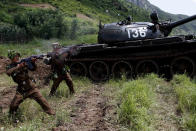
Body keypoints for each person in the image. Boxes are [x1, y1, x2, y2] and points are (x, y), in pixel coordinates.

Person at [6, 50, 55, 117]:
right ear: (11, 58)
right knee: (13, 105)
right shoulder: (10, 66)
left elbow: (33, 69)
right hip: (21, 90)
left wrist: (33, 62)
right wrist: (18, 66)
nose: (17, 57)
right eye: (15, 56)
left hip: (31, 87)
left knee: (43, 102)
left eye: (18, 56)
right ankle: (11, 118)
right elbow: (8, 72)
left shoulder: (24, 62)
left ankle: (52, 115)